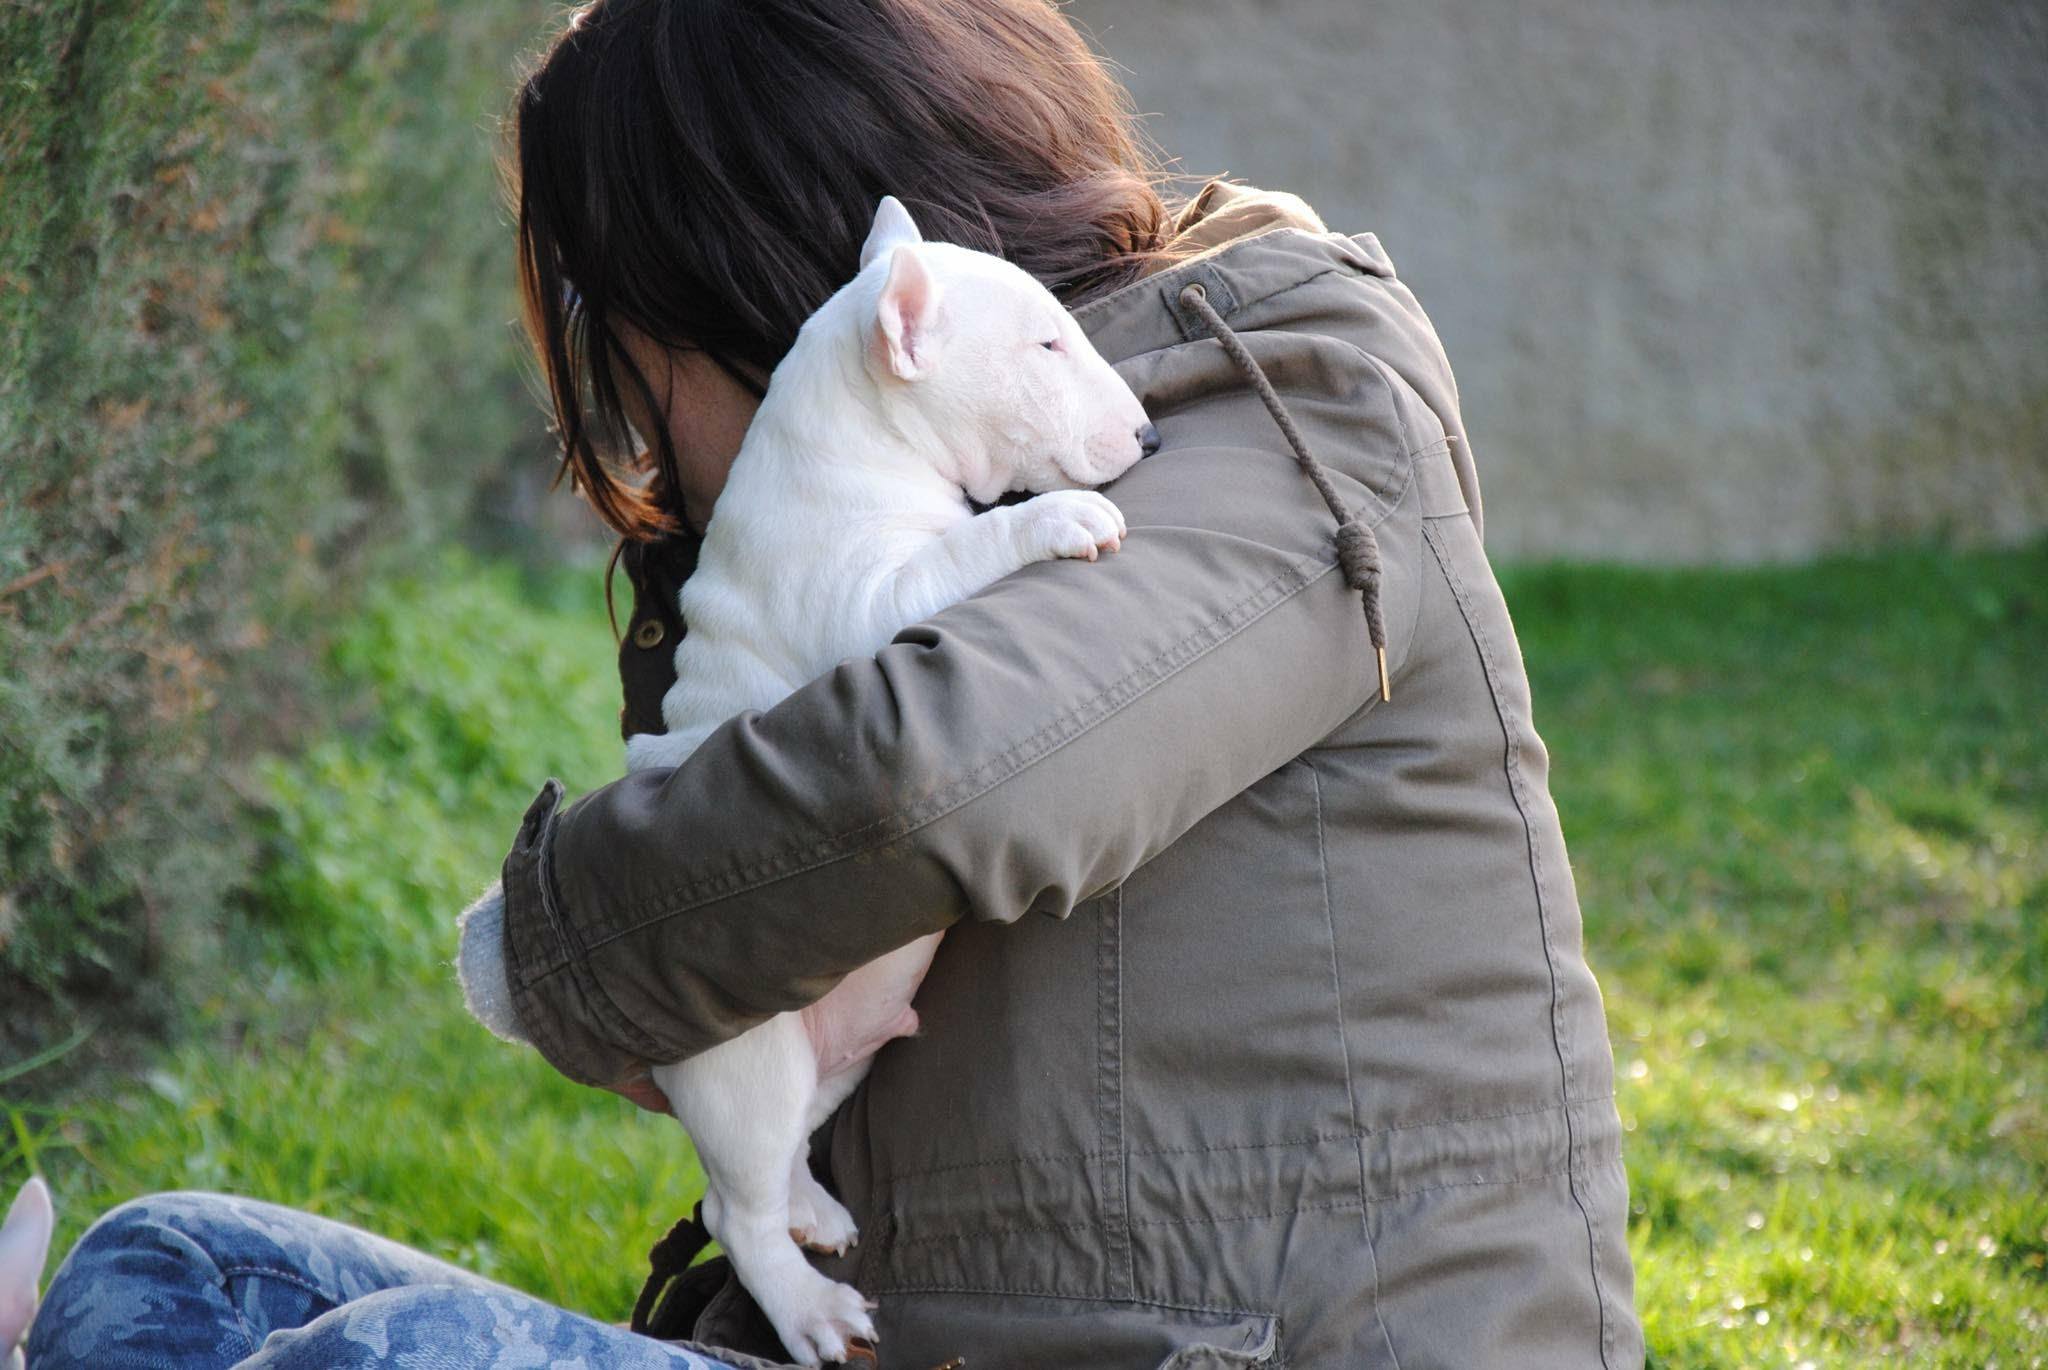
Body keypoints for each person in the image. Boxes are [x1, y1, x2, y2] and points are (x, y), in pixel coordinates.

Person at [28, 1, 1644, 1365]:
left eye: (630, 356)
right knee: (166, 1270)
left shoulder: (1279, 393)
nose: (643, 444)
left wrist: (566, 950)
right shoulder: (847, 511)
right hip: (925, 1330)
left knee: (385, 1357)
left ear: (750, 280)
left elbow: (935, 774)